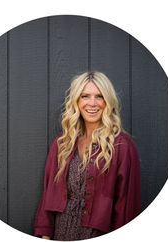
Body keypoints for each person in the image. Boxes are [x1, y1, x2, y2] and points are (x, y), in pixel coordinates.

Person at [34, 71, 141, 241]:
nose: (92, 103)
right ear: (76, 101)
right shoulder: (62, 145)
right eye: (85, 96)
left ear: (108, 102)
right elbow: (48, 199)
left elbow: (126, 209)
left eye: (99, 96)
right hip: (61, 234)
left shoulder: (122, 147)